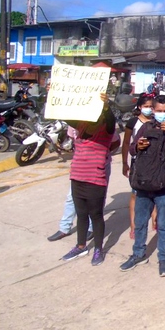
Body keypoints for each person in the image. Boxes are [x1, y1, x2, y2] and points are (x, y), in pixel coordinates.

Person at [121, 95, 165, 277]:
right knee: (140, 222)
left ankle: (164, 259)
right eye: (158, 111)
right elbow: (132, 148)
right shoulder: (146, 126)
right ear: (153, 111)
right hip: (144, 183)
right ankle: (138, 254)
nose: (162, 114)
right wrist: (139, 146)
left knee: (164, 224)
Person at [61, 93, 116, 267]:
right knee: (81, 214)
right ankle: (81, 245)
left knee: (96, 215)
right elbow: (62, 113)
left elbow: (111, 120)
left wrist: (106, 107)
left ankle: (98, 249)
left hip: (95, 179)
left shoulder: (106, 130)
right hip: (77, 176)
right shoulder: (81, 125)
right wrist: (56, 93)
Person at [122, 93, 155, 239]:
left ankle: (155, 221)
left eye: (151, 107)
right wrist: (124, 162)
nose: (148, 109)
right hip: (137, 163)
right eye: (146, 106)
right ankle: (133, 226)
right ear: (140, 107)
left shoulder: (157, 121)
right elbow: (126, 142)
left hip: (154, 163)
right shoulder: (133, 122)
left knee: (155, 192)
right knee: (135, 194)